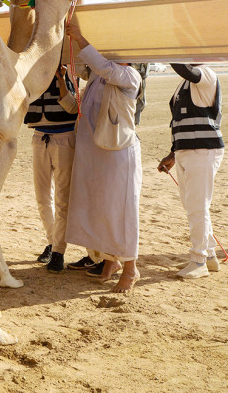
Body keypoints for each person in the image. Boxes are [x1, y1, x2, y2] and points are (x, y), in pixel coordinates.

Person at [64, 22, 143, 293]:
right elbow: (79, 104)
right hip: (96, 155)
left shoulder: (129, 75)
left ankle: (131, 268)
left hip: (118, 154)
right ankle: (111, 260)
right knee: (101, 207)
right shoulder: (97, 78)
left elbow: (105, 68)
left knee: (121, 210)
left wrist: (80, 37)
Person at [157, 63, 223, 278]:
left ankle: (198, 260)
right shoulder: (183, 84)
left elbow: (186, 70)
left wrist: (168, 49)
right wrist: (173, 154)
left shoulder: (206, 73)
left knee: (197, 205)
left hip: (203, 150)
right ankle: (210, 255)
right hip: (187, 150)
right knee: (192, 204)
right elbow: (180, 122)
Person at [24, 65, 79, 273]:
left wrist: (62, 78)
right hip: (39, 136)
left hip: (64, 137)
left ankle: (58, 251)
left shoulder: (70, 67)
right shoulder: (31, 69)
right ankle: (52, 241)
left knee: (62, 198)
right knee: (42, 196)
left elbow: (73, 106)